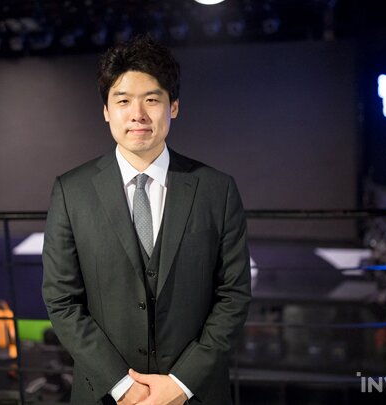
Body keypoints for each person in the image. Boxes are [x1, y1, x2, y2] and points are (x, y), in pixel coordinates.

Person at [42, 35, 251, 405]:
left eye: (151, 100)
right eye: (123, 101)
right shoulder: (70, 191)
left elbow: (233, 295)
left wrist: (182, 383)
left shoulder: (217, 189)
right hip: (106, 395)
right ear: (106, 111)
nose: (137, 114)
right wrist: (122, 386)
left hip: (195, 393)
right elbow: (61, 300)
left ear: (174, 107)